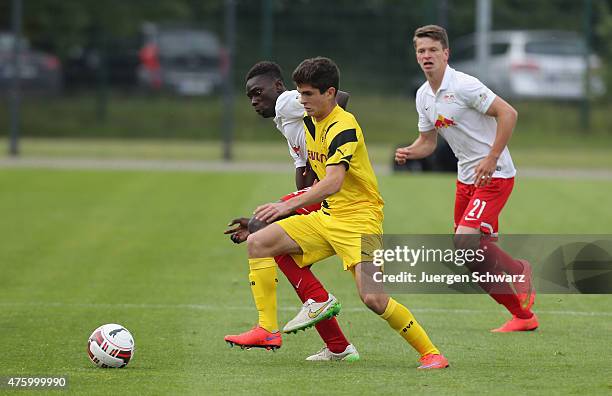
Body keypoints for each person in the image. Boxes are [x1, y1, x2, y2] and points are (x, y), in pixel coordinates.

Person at [246, 56, 449, 369]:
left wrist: (285, 206)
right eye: (300, 94)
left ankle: (431, 353)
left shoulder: (344, 126)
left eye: (309, 94)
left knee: (374, 299)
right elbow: (311, 176)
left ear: (329, 93)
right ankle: (267, 330)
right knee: (259, 242)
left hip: (360, 220)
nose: (302, 101)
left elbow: (333, 182)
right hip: (327, 217)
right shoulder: (309, 122)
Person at [395, 25, 537, 332]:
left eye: (433, 50)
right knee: (473, 257)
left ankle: (518, 269)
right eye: (421, 51)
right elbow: (428, 143)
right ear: (416, 56)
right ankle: (522, 317)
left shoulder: (464, 85)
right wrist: (410, 151)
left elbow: (508, 113)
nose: (427, 56)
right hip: (466, 179)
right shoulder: (423, 96)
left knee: (464, 240)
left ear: (446, 53)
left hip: (495, 174)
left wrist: (492, 157)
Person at [223, 61, 359, 361]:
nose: (255, 100)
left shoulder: (287, 103)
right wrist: (267, 221)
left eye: (259, 93)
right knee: (279, 250)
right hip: (323, 193)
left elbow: (342, 99)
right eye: (250, 97)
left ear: (279, 87)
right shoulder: (285, 122)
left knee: (269, 241)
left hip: (338, 194)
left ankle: (274, 325)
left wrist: (331, 134)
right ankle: (337, 345)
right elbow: (303, 176)